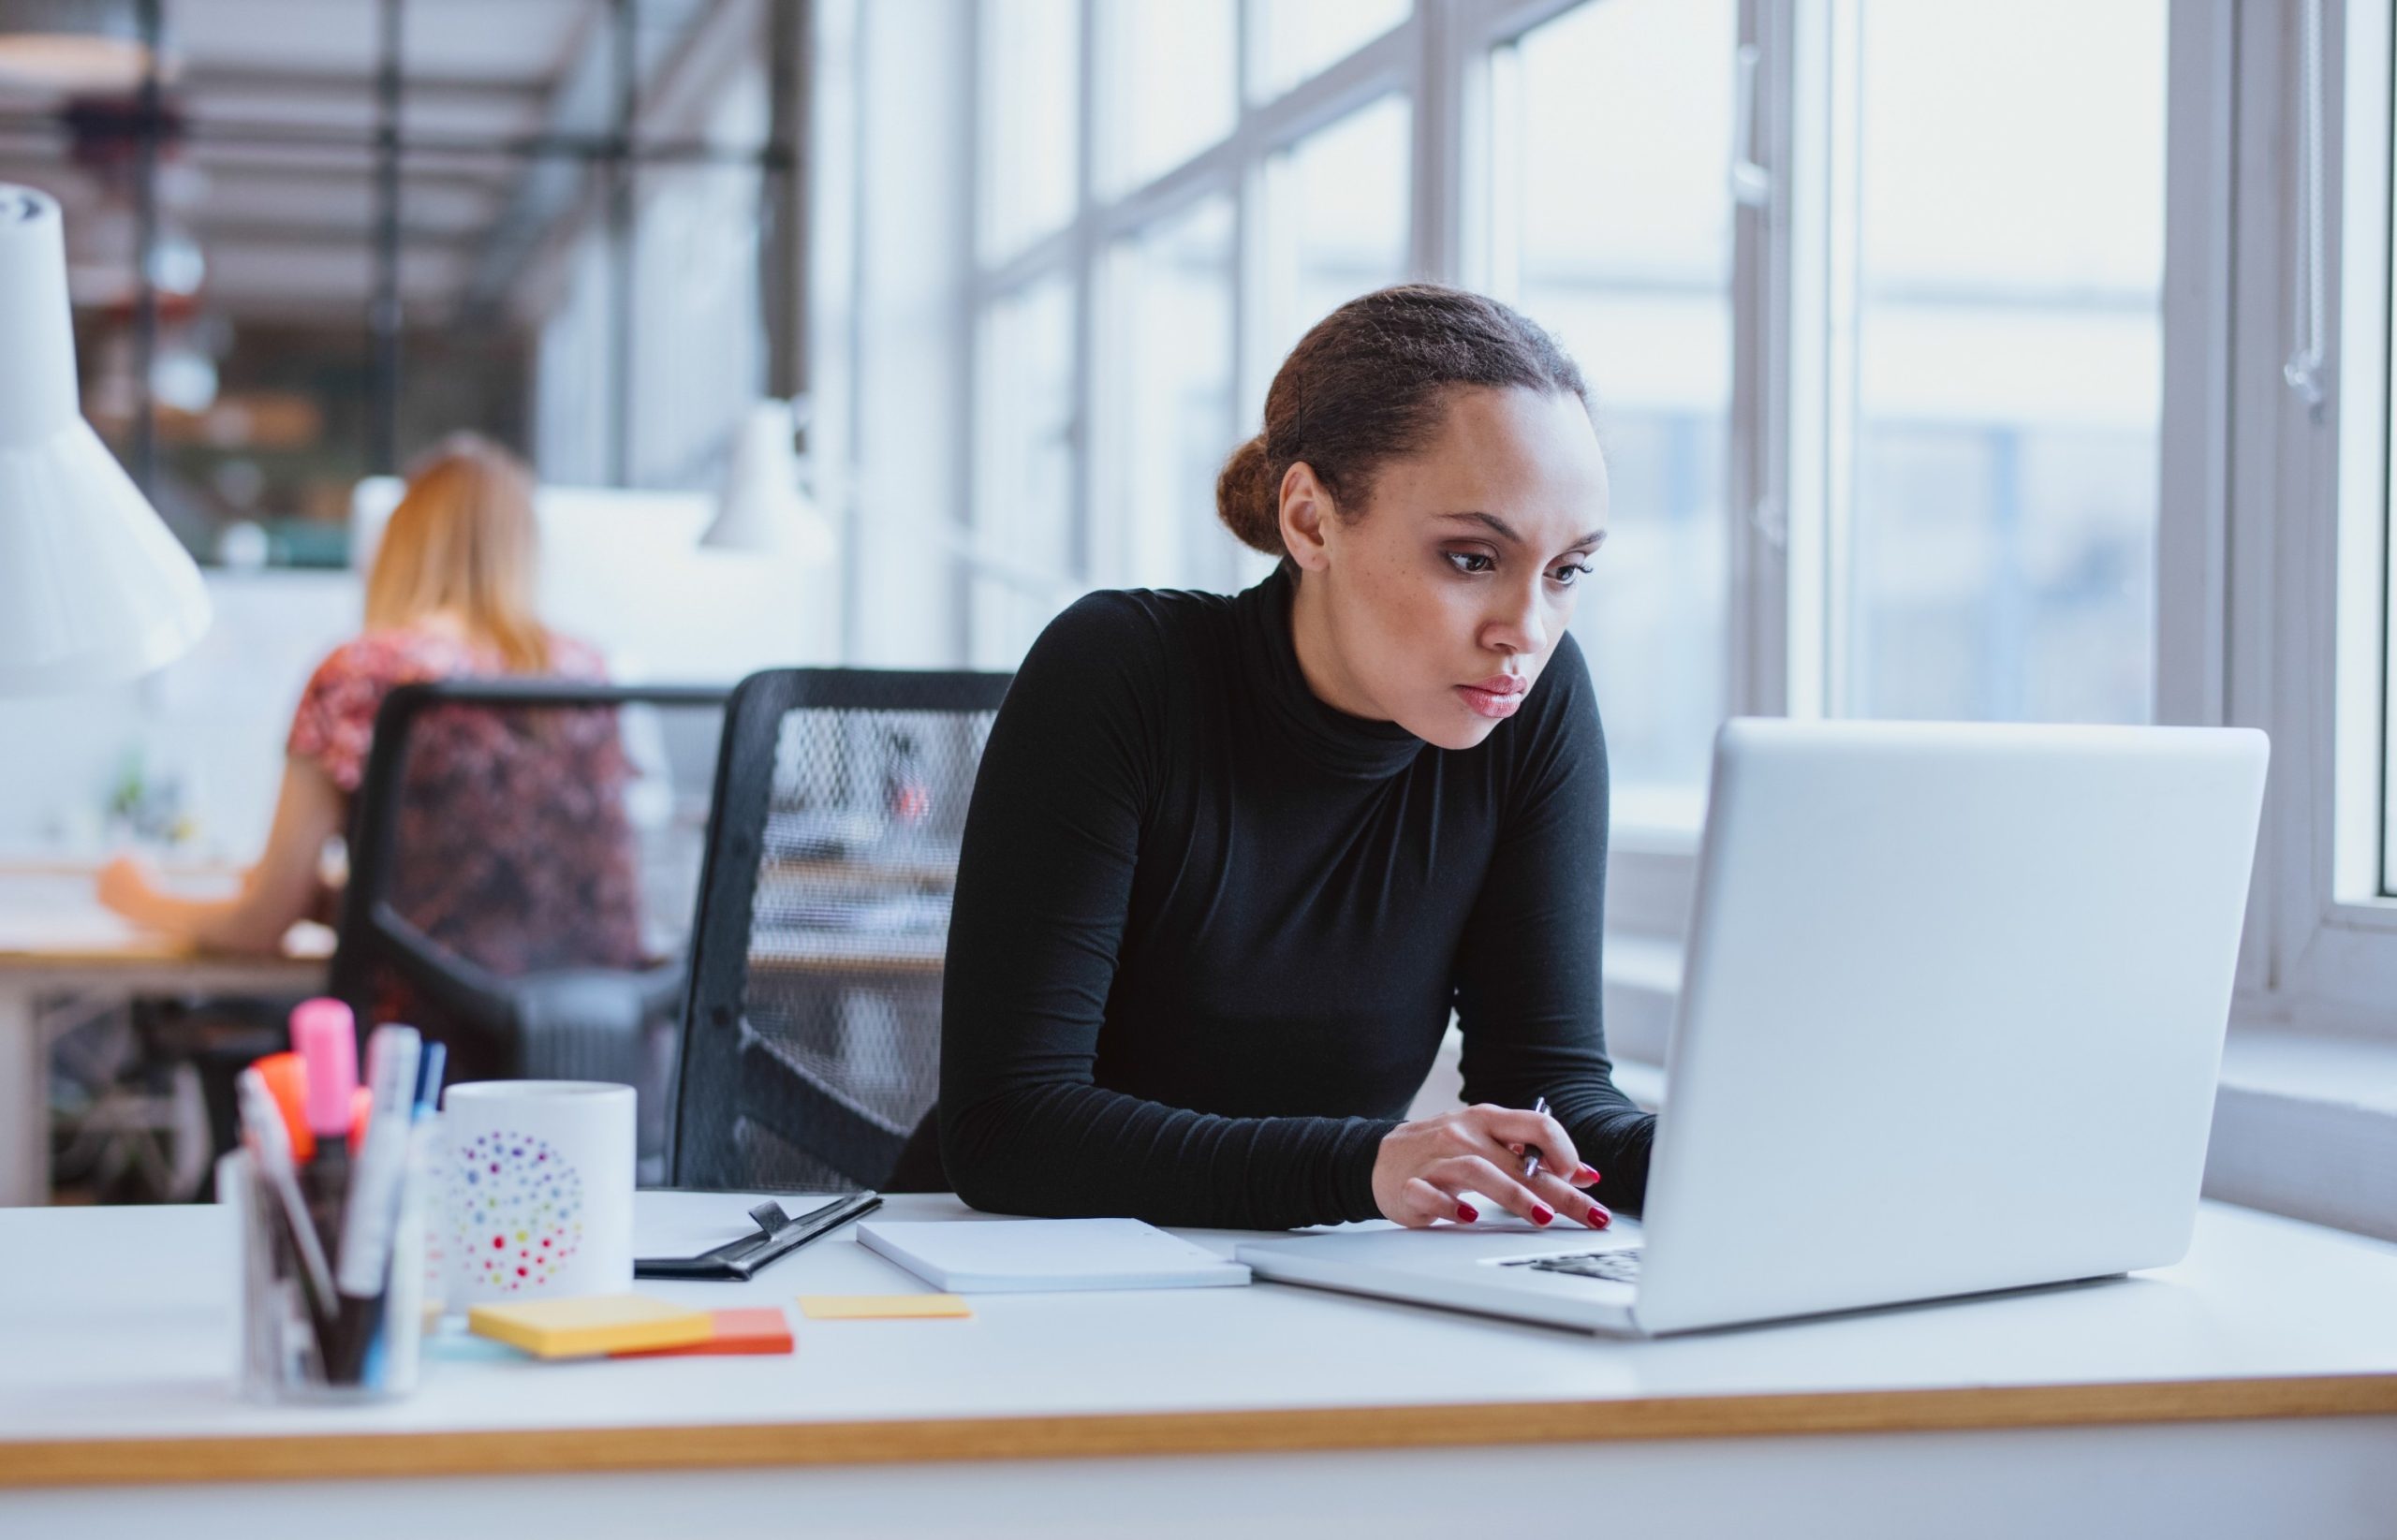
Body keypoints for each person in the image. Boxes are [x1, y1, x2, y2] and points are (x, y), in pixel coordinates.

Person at [937, 284, 1652, 1232]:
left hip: (1303, 1286)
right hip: (1019, 1281)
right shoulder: (1120, 672)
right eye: (1473, 559)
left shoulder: (1534, 709)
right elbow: (1005, 1129)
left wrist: (1751, 1155)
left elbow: (1551, 1093)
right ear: (1310, 520)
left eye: (1565, 572)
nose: (1526, 631)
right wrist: (1362, 1167)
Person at [98, 436, 643, 1072]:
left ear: (400, 546)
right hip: (593, 1061)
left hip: (418, 1067)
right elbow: (518, 889)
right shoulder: (587, 673)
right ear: (524, 551)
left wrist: (136, 895)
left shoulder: (364, 672)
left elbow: (261, 921)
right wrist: (351, 898)